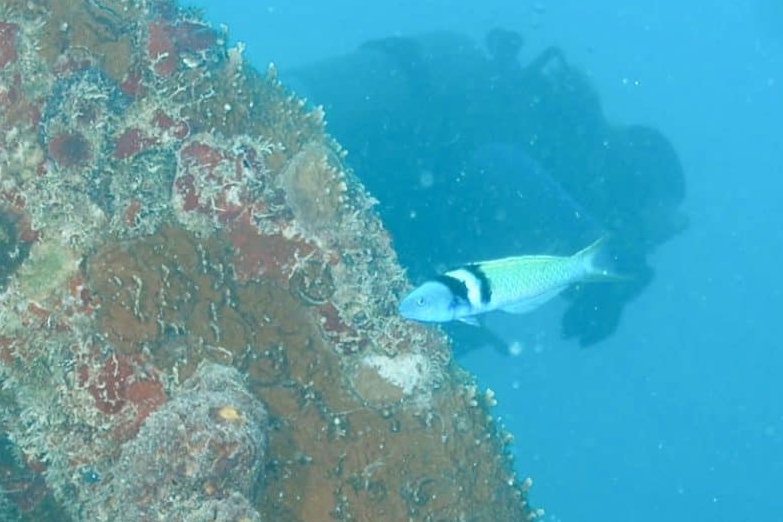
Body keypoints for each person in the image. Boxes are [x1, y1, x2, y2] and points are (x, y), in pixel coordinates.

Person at [289, 29, 686, 347]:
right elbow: (497, 161)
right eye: (636, 218)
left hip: (353, 188)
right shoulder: (563, 149)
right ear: (630, 182)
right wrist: (595, 248)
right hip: (354, 160)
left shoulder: (557, 157)